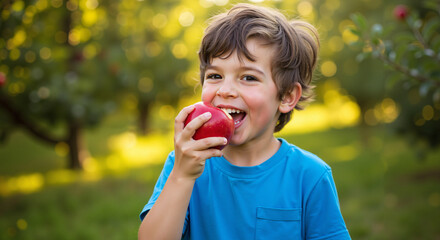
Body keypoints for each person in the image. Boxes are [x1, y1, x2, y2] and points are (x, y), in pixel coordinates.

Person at [138, 3, 351, 240]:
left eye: (248, 77)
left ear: (287, 96)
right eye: (215, 76)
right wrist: (181, 176)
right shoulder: (187, 164)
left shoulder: (309, 176)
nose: (226, 90)